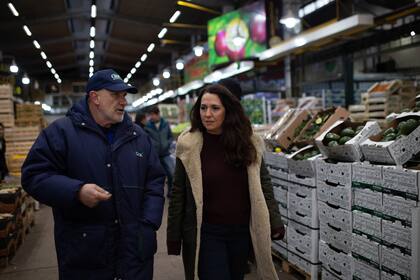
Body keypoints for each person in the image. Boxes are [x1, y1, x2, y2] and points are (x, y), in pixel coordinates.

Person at [21, 69, 166, 280]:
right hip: (86, 254)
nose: (123, 101)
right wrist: (76, 191)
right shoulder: (61, 133)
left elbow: (155, 180)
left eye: (124, 95)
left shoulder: (138, 136)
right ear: (95, 97)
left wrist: (148, 223)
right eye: (116, 95)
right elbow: (34, 175)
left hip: (135, 251)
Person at [166, 84, 284, 280]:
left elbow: (263, 184)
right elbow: (178, 192)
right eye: (203, 108)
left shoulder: (248, 142)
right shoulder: (188, 145)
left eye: (215, 108)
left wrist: (275, 220)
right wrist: (173, 235)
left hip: (241, 231)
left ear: (228, 111)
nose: (207, 114)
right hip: (207, 232)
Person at [144, 106, 175, 197]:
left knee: (171, 172)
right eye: (150, 115)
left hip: (165, 154)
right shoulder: (148, 126)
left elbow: (170, 136)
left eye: (152, 115)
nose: (151, 117)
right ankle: (156, 194)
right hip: (155, 155)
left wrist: (168, 143)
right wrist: (153, 145)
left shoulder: (165, 124)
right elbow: (147, 138)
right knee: (155, 175)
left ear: (157, 114)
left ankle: (171, 191)